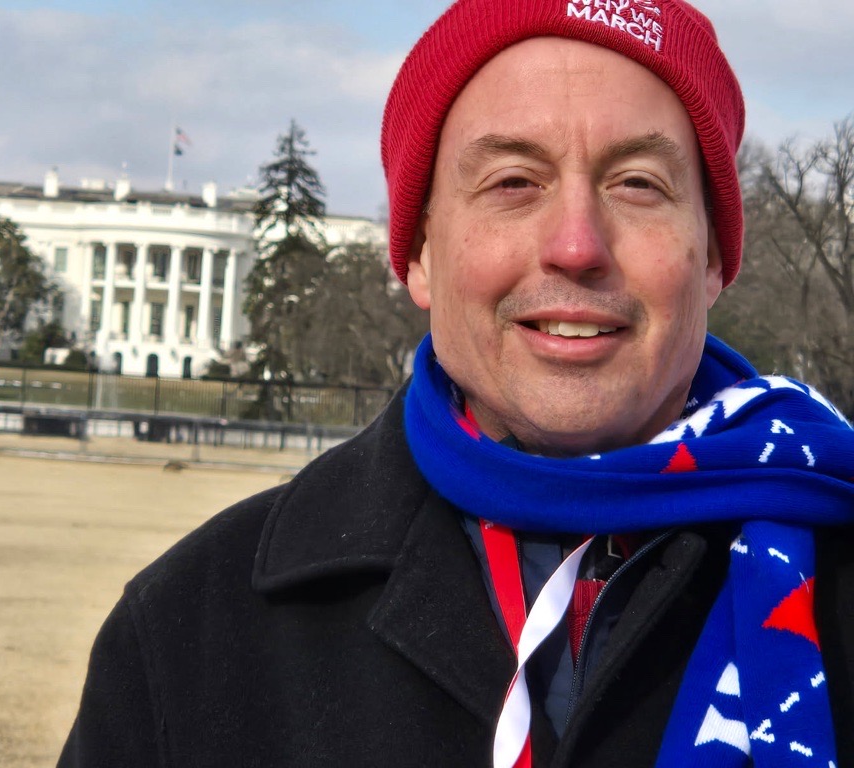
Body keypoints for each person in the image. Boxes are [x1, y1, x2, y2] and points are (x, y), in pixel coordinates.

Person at [58, 1, 854, 766]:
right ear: (420, 254)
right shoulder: (191, 630)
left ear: (714, 256)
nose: (576, 245)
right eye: (513, 181)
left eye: (637, 183)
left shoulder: (838, 579)